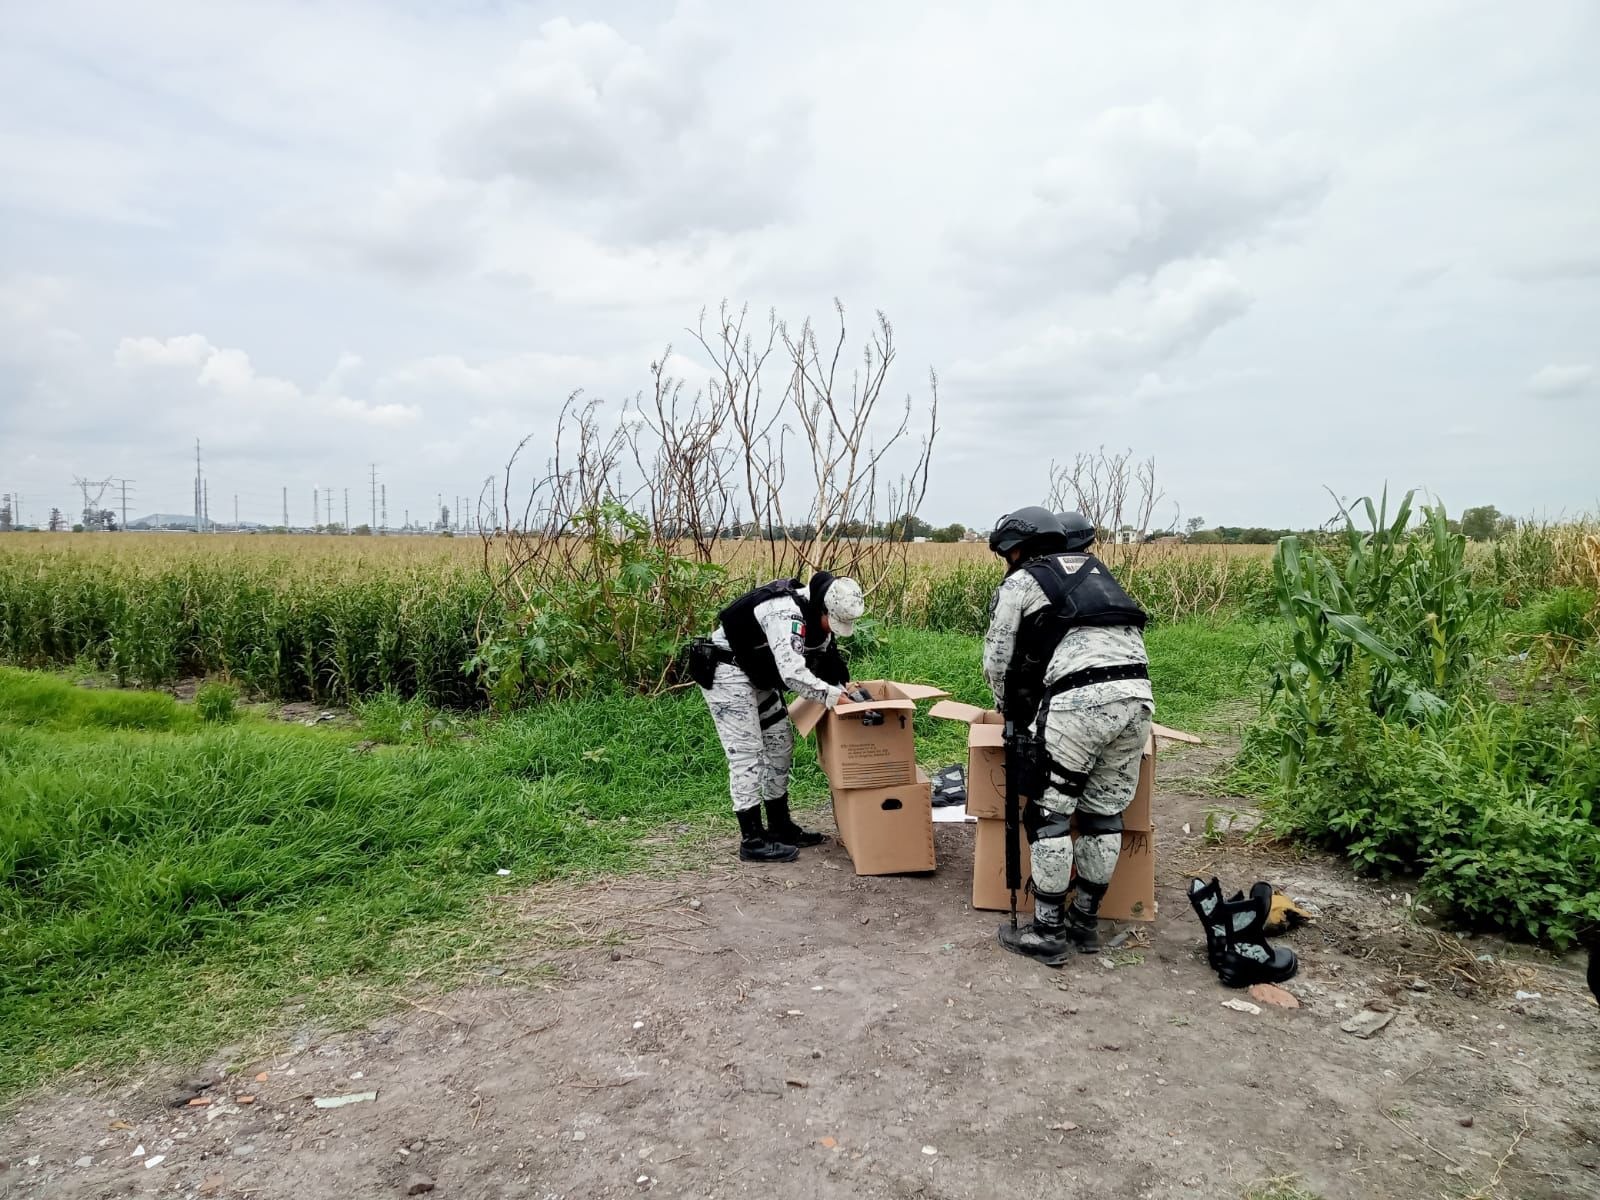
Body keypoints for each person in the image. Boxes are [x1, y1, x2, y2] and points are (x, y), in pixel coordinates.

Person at [983, 506, 1153, 965]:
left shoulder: (1023, 581)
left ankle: (1047, 932)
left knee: (1048, 814)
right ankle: (1085, 922)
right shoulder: (1098, 574)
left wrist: (1007, 708)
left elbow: (997, 658)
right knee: (1103, 815)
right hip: (1138, 701)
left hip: (1079, 702)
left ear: (1017, 548)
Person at [692, 572, 866, 863]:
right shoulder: (784, 612)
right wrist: (834, 698)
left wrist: (846, 688)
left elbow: (826, 660)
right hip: (727, 671)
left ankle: (779, 826)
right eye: (833, 621)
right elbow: (793, 674)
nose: (833, 629)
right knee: (746, 752)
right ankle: (752, 840)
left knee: (780, 742)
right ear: (823, 608)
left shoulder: (814, 612)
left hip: (758, 673)